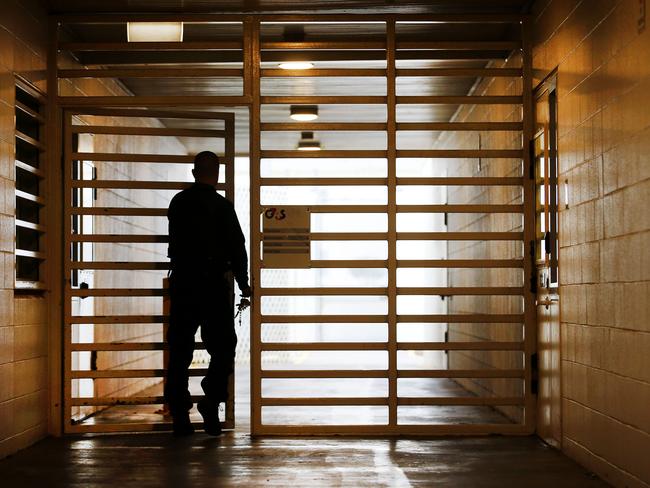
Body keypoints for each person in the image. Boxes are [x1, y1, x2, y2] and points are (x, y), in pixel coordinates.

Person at [164, 151, 251, 436]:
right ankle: (211, 405)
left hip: (184, 285)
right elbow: (238, 249)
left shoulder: (178, 203)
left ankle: (180, 415)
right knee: (223, 348)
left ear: (193, 173)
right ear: (216, 175)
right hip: (213, 287)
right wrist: (244, 285)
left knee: (179, 352)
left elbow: (176, 245)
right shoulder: (223, 207)